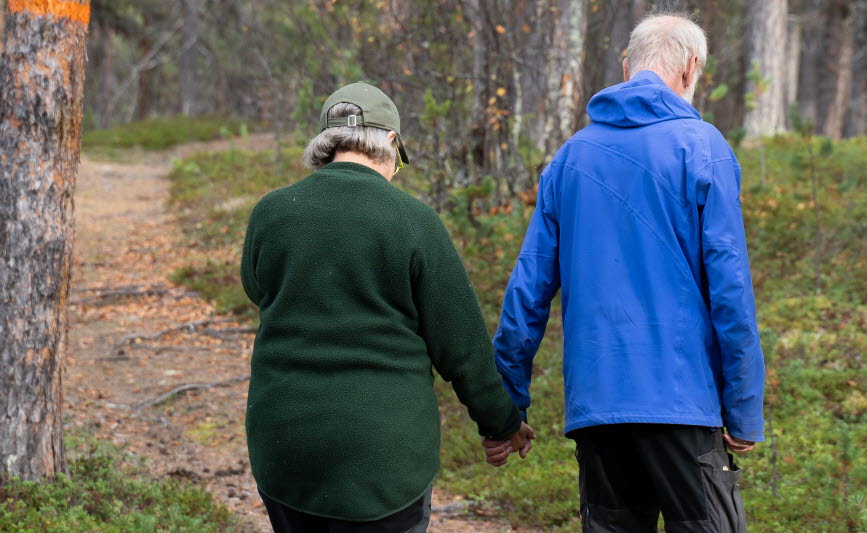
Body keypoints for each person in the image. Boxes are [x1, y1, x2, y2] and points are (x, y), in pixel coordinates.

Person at [487, 14, 766, 532]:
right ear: (690, 68)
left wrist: (504, 410)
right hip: (684, 404)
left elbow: (527, 292)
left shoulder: (571, 157)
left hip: (600, 409)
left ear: (625, 67)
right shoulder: (703, 148)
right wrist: (745, 404)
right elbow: (730, 289)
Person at [241, 82, 535, 533]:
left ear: (326, 143)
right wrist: (501, 424)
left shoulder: (271, 212)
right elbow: (462, 348)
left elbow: (255, 288)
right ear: (392, 143)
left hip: (284, 447)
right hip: (383, 460)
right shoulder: (414, 222)